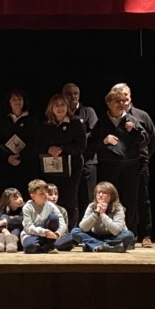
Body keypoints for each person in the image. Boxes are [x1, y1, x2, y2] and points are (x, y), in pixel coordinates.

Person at [89, 89, 147, 237]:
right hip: (109, 166)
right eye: (117, 101)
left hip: (130, 166)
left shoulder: (131, 120)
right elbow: (90, 144)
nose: (121, 104)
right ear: (109, 104)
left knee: (130, 200)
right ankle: (110, 233)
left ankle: (130, 234)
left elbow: (145, 141)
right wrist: (104, 141)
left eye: (123, 101)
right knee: (110, 200)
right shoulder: (102, 122)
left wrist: (134, 130)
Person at [112, 82, 155, 248]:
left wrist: (144, 156)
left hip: (139, 162)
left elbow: (153, 139)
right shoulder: (112, 117)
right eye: (119, 97)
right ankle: (124, 234)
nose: (123, 100)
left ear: (130, 97)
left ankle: (146, 235)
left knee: (142, 198)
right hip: (119, 163)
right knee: (121, 198)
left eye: (126, 96)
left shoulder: (141, 115)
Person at [38, 93, 86, 229]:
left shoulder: (75, 123)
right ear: (51, 108)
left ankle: (70, 230)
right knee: (51, 197)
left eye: (62, 105)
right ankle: (52, 228)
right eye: (56, 105)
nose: (60, 108)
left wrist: (62, 149)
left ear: (67, 107)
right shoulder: (45, 125)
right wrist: (48, 149)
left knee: (69, 198)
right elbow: (36, 145)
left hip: (72, 168)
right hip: (51, 169)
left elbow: (81, 146)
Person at [0, 89, 40, 197]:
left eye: (19, 99)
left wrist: (21, 157)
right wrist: (7, 157)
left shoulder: (32, 121)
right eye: (13, 99)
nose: (17, 101)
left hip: (27, 166)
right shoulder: (2, 121)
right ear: (9, 102)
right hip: (6, 166)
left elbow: (35, 143)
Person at [62, 83, 99, 217]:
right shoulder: (60, 113)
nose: (72, 97)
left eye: (75, 94)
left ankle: (88, 227)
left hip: (87, 162)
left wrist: (76, 141)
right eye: (68, 94)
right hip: (66, 163)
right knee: (69, 198)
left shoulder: (88, 112)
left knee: (87, 198)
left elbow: (95, 134)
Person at [71, 181, 135, 253]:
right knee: (75, 231)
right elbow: (83, 228)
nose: (100, 195)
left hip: (113, 236)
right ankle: (108, 247)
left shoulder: (118, 208)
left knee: (129, 235)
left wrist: (102, 214)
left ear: (112, 196)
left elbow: (116, 231)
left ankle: (94, 245)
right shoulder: (92, 206)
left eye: (104, 193)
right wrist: (96, 213)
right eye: (98, 193)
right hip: (96, 236)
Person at [21, 179, 66, 254]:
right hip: (32, 235)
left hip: (49, 237)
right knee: (30, 247)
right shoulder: (27, 207)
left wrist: (57, 234)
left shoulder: (51, 205)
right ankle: (49, 247)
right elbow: (28, 228)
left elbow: (62, 222)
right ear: (33, 196)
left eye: (46, 192)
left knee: (54, 217)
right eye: (42, 193)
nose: (46, 195)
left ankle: (48, 245)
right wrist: (44, 232)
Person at [0, 187, 24, 253]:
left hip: (17, 234)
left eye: (20, 196)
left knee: (17, 224)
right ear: (9, 202)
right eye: (15, 198)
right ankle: (0, 243)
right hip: (5, 233)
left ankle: (12, 243)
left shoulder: (24, 207)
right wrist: (5, 231)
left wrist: (4, 222)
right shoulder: (3, 208)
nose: (20, 200)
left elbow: (23, 219)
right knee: (4, 216)